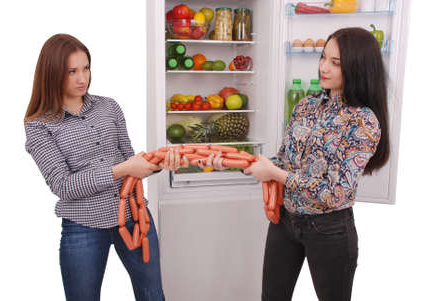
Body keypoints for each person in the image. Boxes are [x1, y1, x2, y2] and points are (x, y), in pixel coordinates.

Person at [201, 27, 390, 301]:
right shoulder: (306, 106)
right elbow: (283, 160)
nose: (324, 67)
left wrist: (276, 173)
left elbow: (335, 192)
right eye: (323, 57)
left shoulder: (363, 121)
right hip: (285, 221)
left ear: (358, 66)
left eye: (335, 62)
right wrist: (235, 162)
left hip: (330, 229)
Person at [24, 33, 187, 301]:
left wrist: (159, 163)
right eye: (72, 71)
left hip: (135, 216)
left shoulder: (109, 107)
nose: (82, 78)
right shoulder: (39, 126)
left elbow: (131, 160)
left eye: (86, 68)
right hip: (84, 225)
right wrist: (121, 170)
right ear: (52, 74)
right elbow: (63, 186)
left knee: (152, 295)